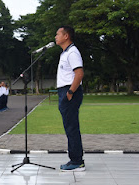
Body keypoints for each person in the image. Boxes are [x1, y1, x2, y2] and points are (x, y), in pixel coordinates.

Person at [55, 26, 85, 172]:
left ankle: (77, 161)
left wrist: (71, 91)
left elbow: (79, 74)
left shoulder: (72, 52)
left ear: (66, 36)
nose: (56, 37)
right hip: (65, 90)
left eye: (58, 34)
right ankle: (74, 158)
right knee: (69, 126)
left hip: (70, 91)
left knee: (72, 127)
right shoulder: (65, 53)